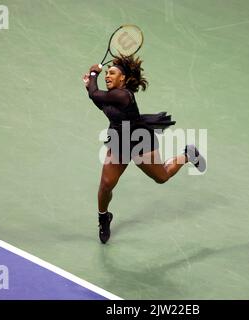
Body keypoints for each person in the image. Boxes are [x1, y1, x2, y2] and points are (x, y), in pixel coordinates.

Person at [83, 55, 206, 244]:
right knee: (106, 184)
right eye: (106, 73)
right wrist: (90, 86)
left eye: (112, 73)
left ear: (122, 79)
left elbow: (95, 94)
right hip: (119, 141)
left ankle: (187, 154)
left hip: (139, 140)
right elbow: (98, 99)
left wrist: (93, 74)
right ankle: (103, 217)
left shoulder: (123, 95)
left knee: (162, 177)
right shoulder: (110, 96)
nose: (107, 75)